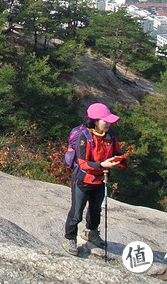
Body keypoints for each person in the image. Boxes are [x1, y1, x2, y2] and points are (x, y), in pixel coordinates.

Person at [62, 102, 127, 256]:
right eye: (106, 121)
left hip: (101, 180)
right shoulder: (84, 137)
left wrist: (120, 160)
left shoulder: (110, 136)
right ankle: (70, 238)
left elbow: (117, 152)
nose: (109, 124)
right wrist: (101, 164)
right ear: (95, 121)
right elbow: (83, 163)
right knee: (76, 213)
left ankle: (91, 232)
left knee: (96, 210)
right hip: (83, 180)